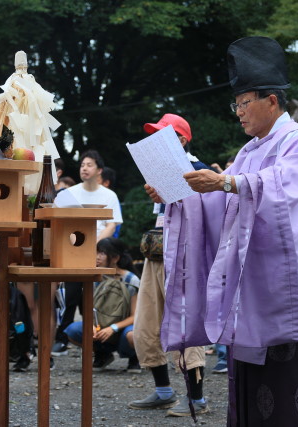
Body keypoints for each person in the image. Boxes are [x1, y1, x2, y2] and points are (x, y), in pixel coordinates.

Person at [145, 37, 298, 425]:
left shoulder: (297, 141)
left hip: (288, 281)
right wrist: (179, 193)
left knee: (293, 377)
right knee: (252, 377)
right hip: (251, 281)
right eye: (235, 103)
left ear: (272, 100)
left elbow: (287, 189)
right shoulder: (250, 150)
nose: (237, 112)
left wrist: (226, 183)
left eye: (243, 102)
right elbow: (225, 201)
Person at [129, 113, 213, 417]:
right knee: (147, 319)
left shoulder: (200, 171)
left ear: (180, 140)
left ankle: (197, 398)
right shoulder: (163, 171)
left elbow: (209, 217)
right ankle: (164, 390)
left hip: (187, 254)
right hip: (159, 250)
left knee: (186, 322)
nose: (155, 143)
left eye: (162, 137)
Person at [53, 150, 123, 357]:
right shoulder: (69, 193)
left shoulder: (109, 195)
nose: (84, 168)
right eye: (83, 164)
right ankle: (62, 337)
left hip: (100, 255)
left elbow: (112, 224)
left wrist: (95, 246)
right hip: (74, 252)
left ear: (99, 170)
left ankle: (98, 345)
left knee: (95, 300)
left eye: (90, 164)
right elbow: (60, 224)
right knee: (72, 295)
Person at [63, 238, 141, 372]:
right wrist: (91, 325)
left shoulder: (131, 279)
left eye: (102, 253)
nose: (97, 257)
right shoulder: (93, 277)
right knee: (72, 330)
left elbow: (136, 316)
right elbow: (89, 309)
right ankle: (102, 354)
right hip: (100, 327)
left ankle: (134, 357)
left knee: (132, 335)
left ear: (115, 258)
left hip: (123, 328)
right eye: (96, 252)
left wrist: (113, 328)